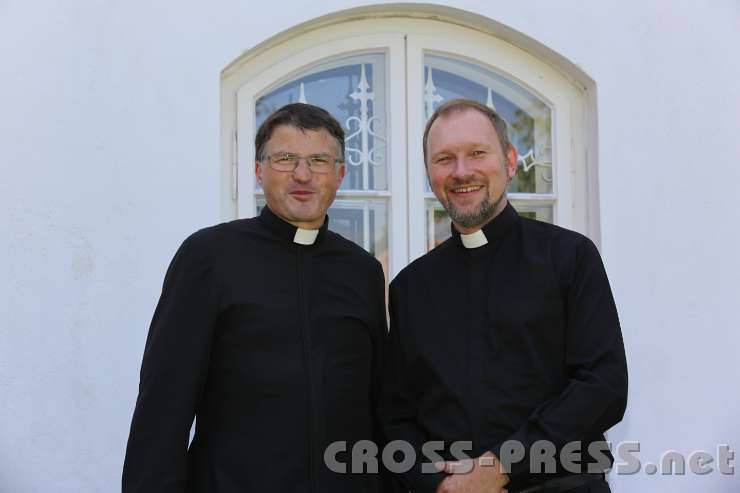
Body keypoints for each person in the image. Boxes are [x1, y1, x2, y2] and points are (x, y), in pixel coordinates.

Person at [123, 103, 389, 493]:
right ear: (258, 170)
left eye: (319, 160)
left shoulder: (362, 271)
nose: (302, 174)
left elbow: (377, 402)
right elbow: (164, 402)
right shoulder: (210, 256)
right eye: (285, 159)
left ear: (340, 174)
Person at [380, 99, 627, 493]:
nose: (462, 171)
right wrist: (438, 484)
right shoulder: (410, 287)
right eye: (444, 159)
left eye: (477, 153)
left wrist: (500, 466)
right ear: (429, 173)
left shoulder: (568, 256)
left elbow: (603, 386)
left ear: (510, 162)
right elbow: (396, 414)